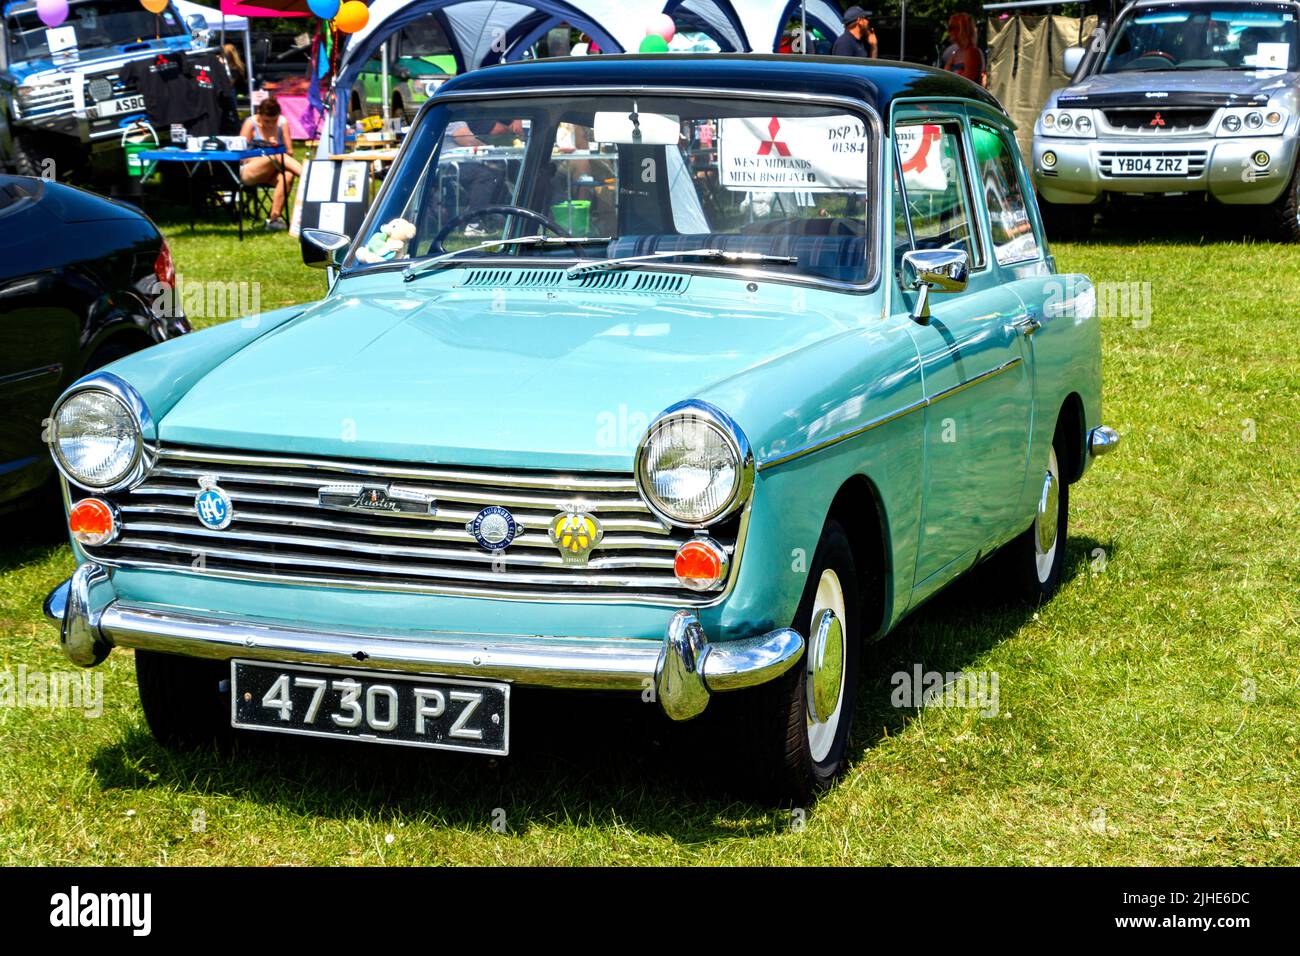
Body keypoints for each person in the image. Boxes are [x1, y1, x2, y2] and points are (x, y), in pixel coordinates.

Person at [238, 96, 303, 231]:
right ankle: (309, 176)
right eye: (267, 121)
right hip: (250, 169)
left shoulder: (282, 123)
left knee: (288, 175)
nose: (270, 125)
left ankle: (273, 219)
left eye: (274, 121)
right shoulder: (250, 123)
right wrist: (268, 152)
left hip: (273, 169)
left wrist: (274, 148)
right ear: (259, 115)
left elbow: (289, 153)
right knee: (276, 156)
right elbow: (241, 155)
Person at [940, 13, 987, 86]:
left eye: (951, 28)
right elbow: (944, 76)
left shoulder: (972, 52)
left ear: (961, 29)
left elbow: (966, 83)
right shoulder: (957, 52)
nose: (948, 32)